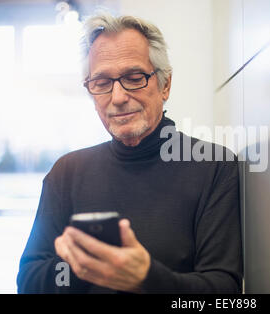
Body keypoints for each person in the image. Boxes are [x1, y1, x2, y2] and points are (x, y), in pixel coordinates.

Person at [16, 12, 243, 294]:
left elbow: (224, 291)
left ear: (165, 85)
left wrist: (146, 278)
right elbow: (28, 281)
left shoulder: (214, 166)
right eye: (101, 83)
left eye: (134, 78)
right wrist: (79, 268)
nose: (118, 97)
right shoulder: (67, 172)